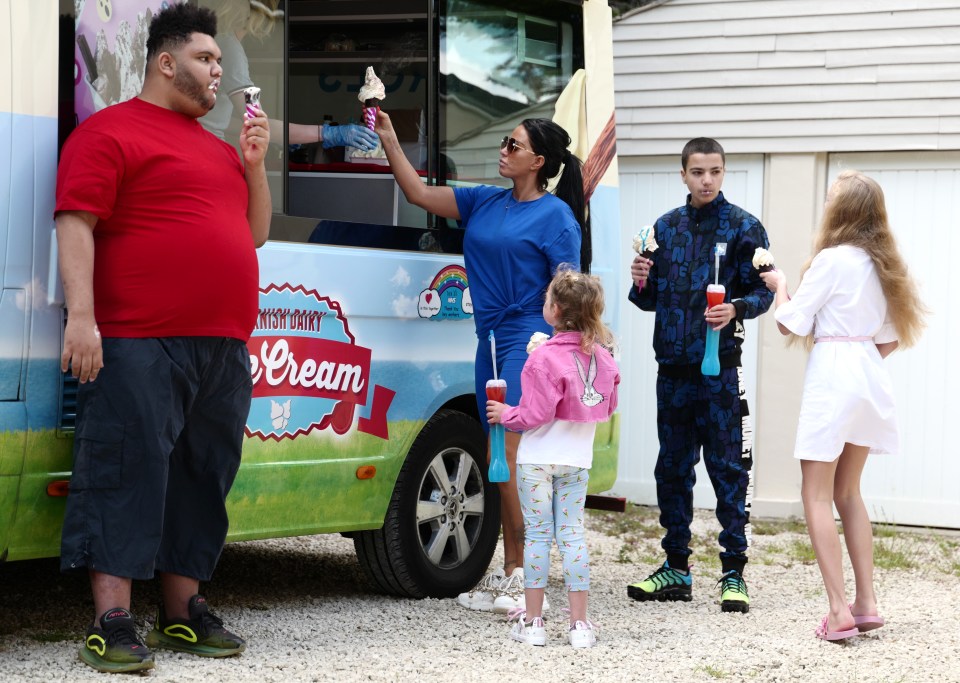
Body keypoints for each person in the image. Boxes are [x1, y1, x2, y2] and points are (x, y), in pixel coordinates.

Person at [55, 4, 271, 673]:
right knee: (126, 469)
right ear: (166, 62)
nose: (219, 73)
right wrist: (81, 317)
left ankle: (183, 611)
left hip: (223, 347)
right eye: (208, 60)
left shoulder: (217, 149)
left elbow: (255, 233)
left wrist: (255, 164)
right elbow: (75, 221)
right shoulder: (108, 132)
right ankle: (111, 621)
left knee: (203, 476)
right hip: (138, 340)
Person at [374, 111, 591, 613]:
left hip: (528, 339)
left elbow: (570, 291)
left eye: (513, 146)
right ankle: (515, 571)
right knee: (498, 460)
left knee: (510, 459)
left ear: (538, 162)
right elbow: (418, 195)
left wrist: (557, 349)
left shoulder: (556, 216)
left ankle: (522, 575)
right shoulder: (483, 201)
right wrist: (389, 136)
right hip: (488, 339)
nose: (503, 150)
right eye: (503, 141)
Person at [759, 170, 927, 641]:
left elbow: (790, 324)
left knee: (815, 493)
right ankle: (867, 601)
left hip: (833, 372)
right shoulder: (885, 263)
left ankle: (838, 611)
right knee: (849, 493)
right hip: (869, 376)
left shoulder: (831, 260)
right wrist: (860, 362)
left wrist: (780, 287)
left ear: (841, 210)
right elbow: (890, 339)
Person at [626, 137, 772, 613]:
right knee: (671, 468)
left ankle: (733, 573)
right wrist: (641, 277)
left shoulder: (744, 227)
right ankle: (676, 568)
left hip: (719, 371)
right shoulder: (664, 229)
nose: (706, 180)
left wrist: (737, 307)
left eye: (714, 171)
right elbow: (648, 300)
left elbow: (766, 291)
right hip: (671, 370)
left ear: (724, 172)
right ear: (683, 174)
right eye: (697, 172)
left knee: (728, 470)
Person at [486, 266, 620, 648]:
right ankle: (579, 626)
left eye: (547, 299)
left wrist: (505, 414)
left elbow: (533, 414)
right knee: (573, 535)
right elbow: (609, 405)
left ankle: (534, 624)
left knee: (540, 537)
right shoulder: (604, 359)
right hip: (576, 460)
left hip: (537, 462)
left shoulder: (542, 357)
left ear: (556, 310)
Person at [200, 0, 377, 152]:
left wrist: (285, 136)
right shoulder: (230, 49)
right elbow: (258, 123)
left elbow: (221, 121)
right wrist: (327, 133)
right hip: (209, 151)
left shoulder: (213, 40)